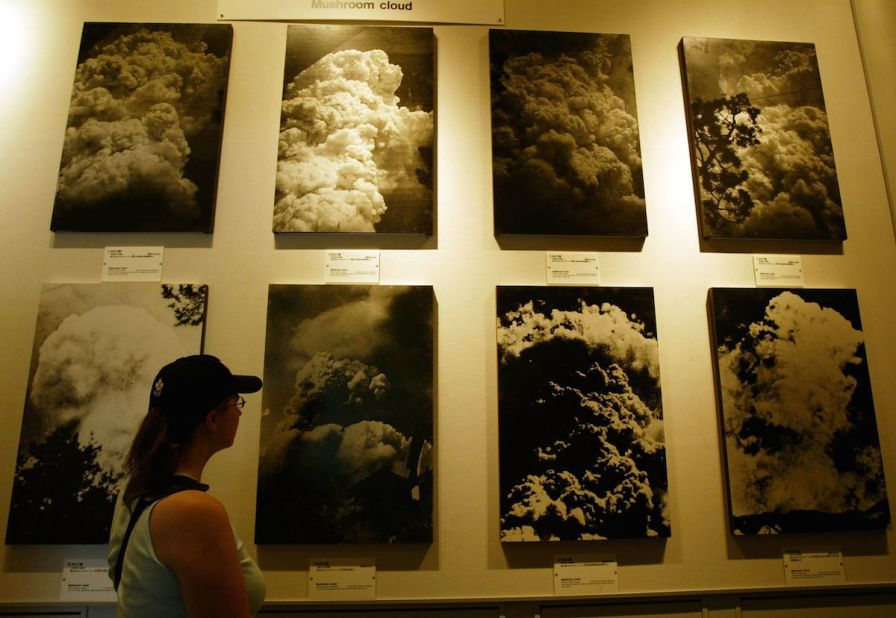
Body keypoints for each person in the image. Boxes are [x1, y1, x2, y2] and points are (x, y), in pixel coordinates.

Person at [107, 355, 266, 617]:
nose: (239, 412)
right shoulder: (192, 511)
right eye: (235, 403)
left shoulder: (135, 491)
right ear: (212, 420)